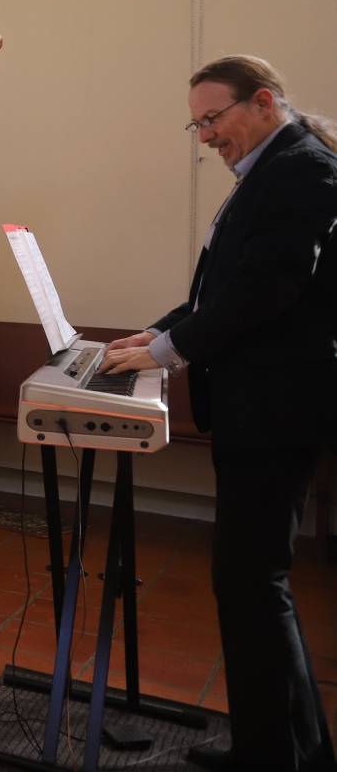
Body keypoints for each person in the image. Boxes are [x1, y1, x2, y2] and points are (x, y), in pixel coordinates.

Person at [103, 56, 337, 771]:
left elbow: (263, 293)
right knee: (253, 581)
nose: (205, 135)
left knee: (250, 581)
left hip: (276, 409)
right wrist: (160, 331)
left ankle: (271, 754)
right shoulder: (273, 168)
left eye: (215, 118)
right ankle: (290, 747)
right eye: (197, 123)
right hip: (260, 405)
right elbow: (220, 287)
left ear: (262, 102)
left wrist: (169, 351)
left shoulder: (300, 170)